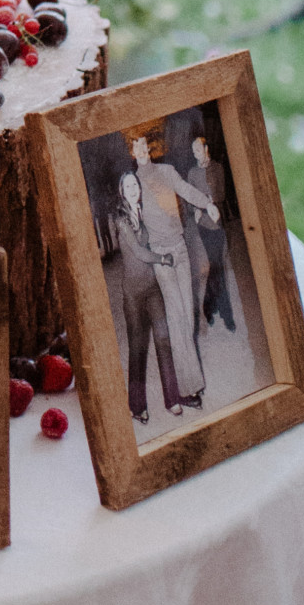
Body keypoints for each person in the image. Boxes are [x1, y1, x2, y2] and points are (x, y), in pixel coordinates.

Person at [127, 126, 220, 408]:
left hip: (180, 249)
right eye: (136, 147)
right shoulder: (133, 182)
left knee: (187, 320)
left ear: (149, 148)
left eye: (144, 146)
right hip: (163, 257)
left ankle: (189, 381)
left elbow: (185, 189)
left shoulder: (166, 171)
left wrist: (207, 203)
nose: (141, 151)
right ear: (131, 152)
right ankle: (187, 388)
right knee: (177, 318)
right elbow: (130, 211)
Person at [114, 172, 182, 422]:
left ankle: (173, 399)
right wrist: (163, 258)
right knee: (137, 348)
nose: (132, 188)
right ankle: (136, 406)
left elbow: (163, 229)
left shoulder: (145, 212)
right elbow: (141, 253)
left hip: (152, 288)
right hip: (133, 294)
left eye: (135, 184)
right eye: (127, 185)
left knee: (163, 339)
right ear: (122, 191)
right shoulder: (121, 219)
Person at [186, 134, 235, 333]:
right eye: (193, 151)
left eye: (198, 149)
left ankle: (208, 306)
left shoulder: (217, 168)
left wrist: (206, 198)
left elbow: (222, 195)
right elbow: (189, 200)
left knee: (217, 268)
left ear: (206, 149)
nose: (195, 153)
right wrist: (195, 209)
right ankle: (227, 315)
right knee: (217, 267)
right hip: (204, 226)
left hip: (218, 224)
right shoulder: (192, 173)